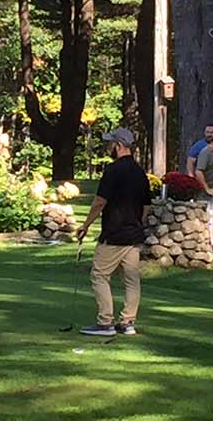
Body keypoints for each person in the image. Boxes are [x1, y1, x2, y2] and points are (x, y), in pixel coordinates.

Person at [75, 128, 152, 337]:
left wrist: (86, 225)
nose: (109, 147)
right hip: (133, 234)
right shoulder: (140, 171)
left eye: (111, 144)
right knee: (131, 279)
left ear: (118, 146)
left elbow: (100, 201)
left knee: (99, 275)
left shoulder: (113, 170)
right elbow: (147, 206)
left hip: (114, 233)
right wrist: (137, 223)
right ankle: (128, 322)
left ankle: (105, 322)